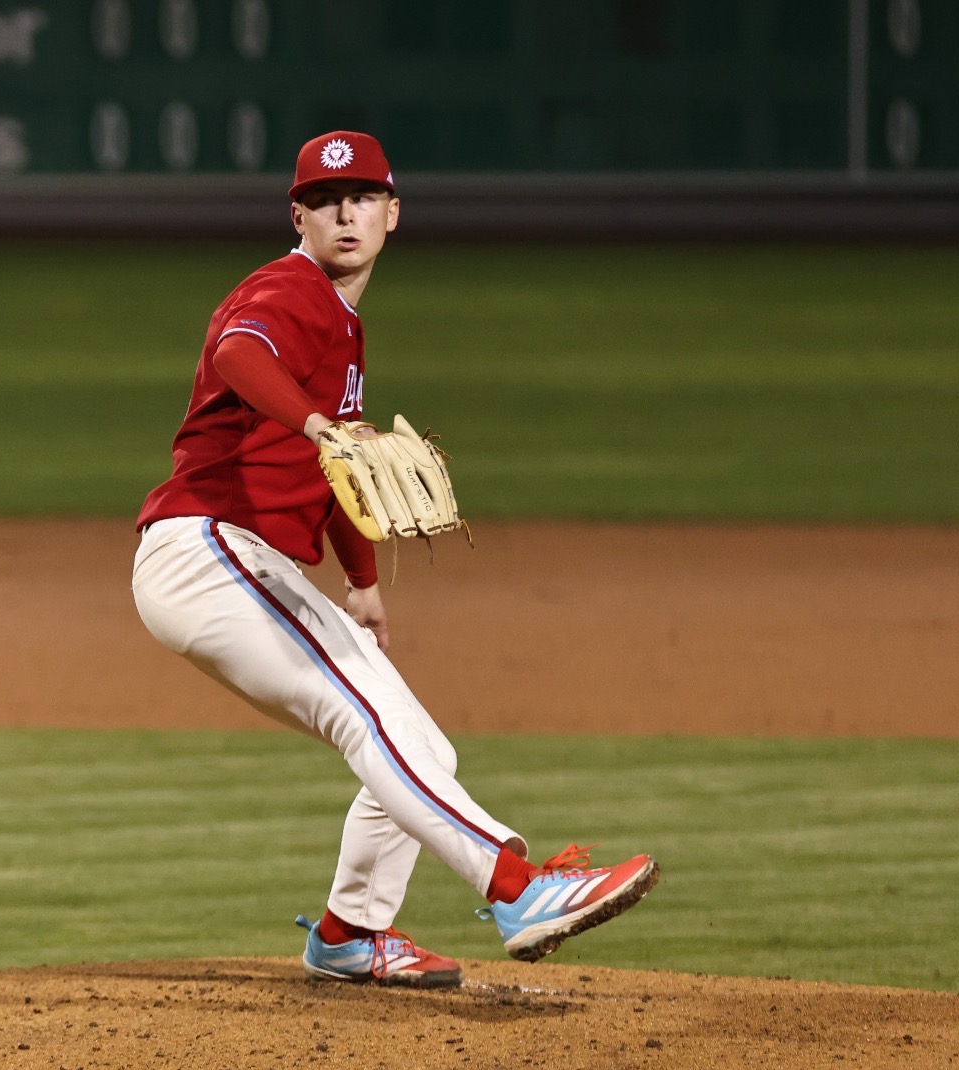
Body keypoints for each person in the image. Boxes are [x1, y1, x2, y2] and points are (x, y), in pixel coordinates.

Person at [131, 131, 658, 988]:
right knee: (369, 721)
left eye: (364, 197)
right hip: (204, 547)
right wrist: (318, 424)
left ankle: (350, 932)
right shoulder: (289, 290)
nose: (346, 212)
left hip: (245, 563)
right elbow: (240, 354)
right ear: (298, 217)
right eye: (325, 199)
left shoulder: (343, 328)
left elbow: (338, 472)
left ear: (393, 213)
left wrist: (364, 584)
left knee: (417, 745)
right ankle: (518, 887)